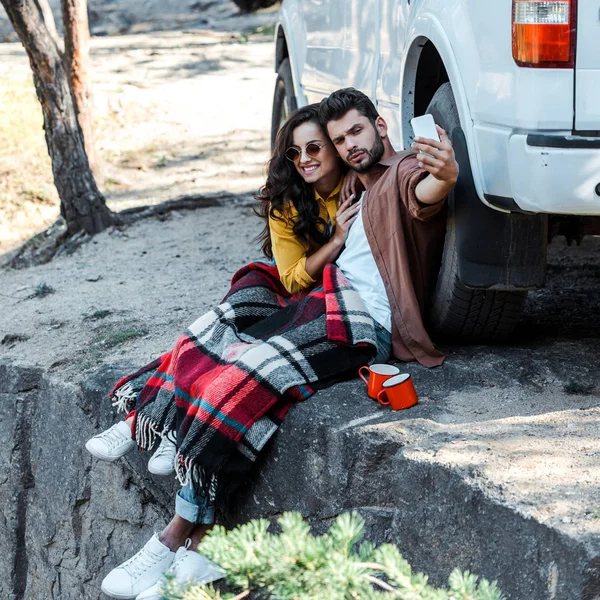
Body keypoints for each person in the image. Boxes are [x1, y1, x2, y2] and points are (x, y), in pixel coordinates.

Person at [93, 104, 389, 600]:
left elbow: (418, 192)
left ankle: (179, 538)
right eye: (296, 153)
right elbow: (293, 276)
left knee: (239, 370)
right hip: (304, 292)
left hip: (334, 303)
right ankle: (152, 415)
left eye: (318, 147)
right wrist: (337, 237)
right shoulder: (288, 201)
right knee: (230, 311)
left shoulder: (364, 183)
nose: (307, 159)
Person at [319, 87, 459, 368]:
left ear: (381, 126)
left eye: (357, 131)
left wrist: (445, 177)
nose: (350, 145)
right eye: (340, 140)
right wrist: (355, 175)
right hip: (328, 297)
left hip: (364, 319)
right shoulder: (361, 184)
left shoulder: (403, 171)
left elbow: (421, 191)